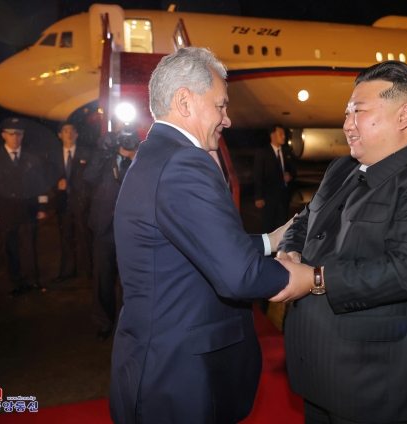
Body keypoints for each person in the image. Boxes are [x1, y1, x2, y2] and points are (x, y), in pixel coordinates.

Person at [275, 61, 407, 424]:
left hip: (381, 384)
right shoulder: (341, 169)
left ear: (404, 115)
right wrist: (289, 251)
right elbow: (304, 221)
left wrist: (314, 279)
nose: (347, 123)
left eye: (359, 112)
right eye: (347, 112)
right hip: (318, 371)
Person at [108, 47, 295, 424]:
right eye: (221, 105)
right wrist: (305, 276)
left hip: (157, 364)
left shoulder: (155, 154)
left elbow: (194, 247)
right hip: (180, 377)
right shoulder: (183, 161)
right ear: (185, 101)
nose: (227, 119)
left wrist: (270, 241)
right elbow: (238, 274)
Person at [83, 122, 139, 341]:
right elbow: (88, 176)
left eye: (132, 141)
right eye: (124, 141)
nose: (128, 144)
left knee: (131, 280)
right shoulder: (105, 160)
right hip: (104, 226)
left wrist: (135, 157)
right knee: (102, 278)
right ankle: (104, 322)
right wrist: (104, 150)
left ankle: (129, 325)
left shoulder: (142, 160)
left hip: (133, 229)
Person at [0, 117, 49, 297]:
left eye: (18, 134)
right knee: (10, 249)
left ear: (23, 136)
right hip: (5, 212)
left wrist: (42, 206)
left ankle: (33, 280)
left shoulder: (31, 158)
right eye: (11, 134)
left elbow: (40, 185)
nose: (15, 138)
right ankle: (16, 283)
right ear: (4, 136)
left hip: (29, 211)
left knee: (29, 247)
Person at [48, 122, 93, 283]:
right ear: (60, 135)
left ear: (77, 135)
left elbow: (92, 178)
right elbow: (47, 178)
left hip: (81, 203)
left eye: (72, 130)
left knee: (85, 238)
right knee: (66, 239)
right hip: (63, 204)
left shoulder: (86, 154)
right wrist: (55, 186)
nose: (69, 134)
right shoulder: (53, 156)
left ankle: (90, 272)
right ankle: (68, 271)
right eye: (65, 131)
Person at [254, 124, 296, 233]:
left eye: (284, 134)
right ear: (272, 135)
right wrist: (258, 196)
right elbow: (258, 176)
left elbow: (294, 170)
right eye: (280, 134)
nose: (283, 137)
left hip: (283, 197)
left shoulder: (287, 152)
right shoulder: (263, 152)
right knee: (267, 226)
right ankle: (266, 249)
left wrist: (290, 176)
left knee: (282, 226)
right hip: (268, 198)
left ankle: (280, 249)